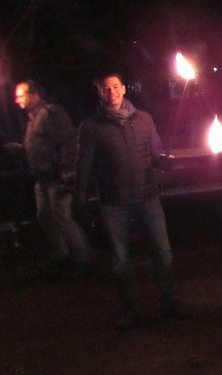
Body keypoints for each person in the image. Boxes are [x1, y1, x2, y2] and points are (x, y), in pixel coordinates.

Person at [75, 73, 186, 330]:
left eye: (115, 87)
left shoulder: (144, 119)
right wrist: (79, 200)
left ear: (124, 89)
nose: (111, 92)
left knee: (163, 252)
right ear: (99, 92)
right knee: (120, 258)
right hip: (113, 203)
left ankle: (169, 303)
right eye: (105, 88)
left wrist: (165, 162)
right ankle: (129, 310)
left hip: (148, 197)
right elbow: (84, 166)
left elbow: (156, 154)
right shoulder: (91, 127)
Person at [14, 80, 93, 276]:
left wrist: (66, 170)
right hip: (41, 177)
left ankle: (84, 259)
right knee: (44, 217)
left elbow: (67, 141)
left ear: (34, 95)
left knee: (62, 218)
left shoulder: (50, 113)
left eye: (20, 95)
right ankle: (62, 254)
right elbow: (41, 145)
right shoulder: (33, 118)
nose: (16, 100)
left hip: (56, 176)